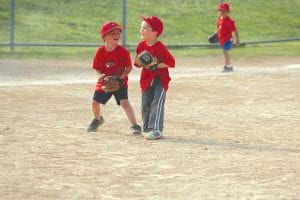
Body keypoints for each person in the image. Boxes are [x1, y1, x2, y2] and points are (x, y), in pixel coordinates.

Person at [87, 21, 141, 135]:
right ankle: (97, 120)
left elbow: (129, 67)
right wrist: (100, 76)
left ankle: (135, 125)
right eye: (113, 33)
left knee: (124, 102)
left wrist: (122, 77)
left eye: (118, 33)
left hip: (120, 82)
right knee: (95, 102)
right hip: (105, 82)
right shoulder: (100, 51)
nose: (116, 35)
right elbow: (96, 68)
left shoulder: (123, 52)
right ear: (104, 37)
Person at [134, 16, 175, 140]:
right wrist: (141, 63)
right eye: (141, 27)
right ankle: (146, 128)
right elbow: (137, 63)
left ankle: (156, 129)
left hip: (160, 79)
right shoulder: (141, 45)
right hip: (146, 79)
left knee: (157, 102)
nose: (141, 30)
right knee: (145, 104)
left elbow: (171, 62)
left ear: (155, 32)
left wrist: (155, 65)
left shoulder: (159, 47)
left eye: (145, 28)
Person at [217, 2, 240, 72]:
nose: (222, 12)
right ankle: (229, 66)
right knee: (224, 52)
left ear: (228, 12)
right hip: (222, 40)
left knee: (225, 52)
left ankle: (227, 66)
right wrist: (216, 35)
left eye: (224, 11)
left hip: (228, 39)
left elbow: (234, 30)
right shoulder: (219, 19)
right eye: (221, 10)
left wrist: (237, 39)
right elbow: (219, 29)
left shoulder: (229, 21)